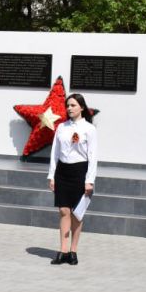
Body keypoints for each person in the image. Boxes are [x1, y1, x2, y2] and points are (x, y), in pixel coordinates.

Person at [47, 94, 97, 266]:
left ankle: (73, 251)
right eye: (68, 105)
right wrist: (51, 175)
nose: (69, 108)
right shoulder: (62, 127)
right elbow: (55, 152)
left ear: (81, 107)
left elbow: (93, 156)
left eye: (73, 105)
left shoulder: (89, 129)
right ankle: (63, 250)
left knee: (77, 213)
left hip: (80, 172)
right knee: (63, 211)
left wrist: (89, 180)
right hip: (62, 172)